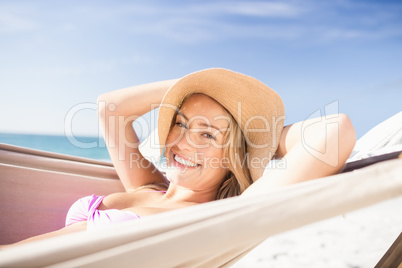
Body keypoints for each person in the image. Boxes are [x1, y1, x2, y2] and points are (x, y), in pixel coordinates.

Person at [4, 68, 356, 246]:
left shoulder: (221, 218)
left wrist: (257, 139)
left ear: (234, 156)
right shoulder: (149, 185)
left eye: (207, 135)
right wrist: (197, 84)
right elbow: (110, 107)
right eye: (180, 123)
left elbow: (335, 131)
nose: (182, 143)